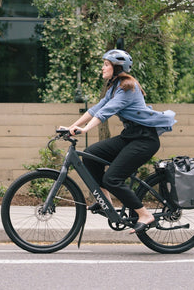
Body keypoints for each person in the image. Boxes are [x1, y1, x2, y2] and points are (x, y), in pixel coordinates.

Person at [60, 49, 176, 234]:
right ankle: (104, 201)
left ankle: (144, 214)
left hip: (144, 140)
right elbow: (97, 108)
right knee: (90, 155)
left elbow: (107, 111)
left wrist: (85, 129)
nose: (103, 67)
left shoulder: (128, 86)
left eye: (106, 64)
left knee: (112, 178)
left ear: (117, 67)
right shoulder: (114, 87)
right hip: (129, 136)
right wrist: (71, 127)